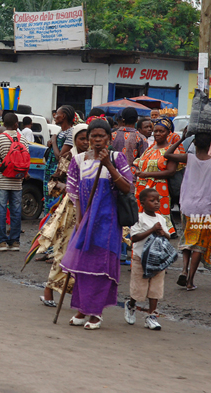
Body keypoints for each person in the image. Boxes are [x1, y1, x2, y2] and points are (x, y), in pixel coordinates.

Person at [60, 119, 132, 330]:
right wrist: (79, 220)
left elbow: (127, 187)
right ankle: (82, 309)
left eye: (102, 136)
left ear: (109, 138)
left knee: (100, 266)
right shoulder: (78, 160)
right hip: (86, 220)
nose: (97, 140)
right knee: (82, 265)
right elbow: (75, 193)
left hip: (108, 222)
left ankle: (96, 313)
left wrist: (108, 165)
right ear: (88, 138)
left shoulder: (117, 158)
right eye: (93, 136)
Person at [165, 133, 211, 290]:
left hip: (187, 205)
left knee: (187, 239)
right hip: (205, 208)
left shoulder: (189, 158)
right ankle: (190, 280)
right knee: (198, 245)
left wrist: (182, 138)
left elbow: (167, 154)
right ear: (210, 144)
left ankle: (184, 270)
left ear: (195, 144)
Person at [37, 123, 88, 307]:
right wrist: (68, 188)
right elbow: (54, 182)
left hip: (91, 208)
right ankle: (48, 291)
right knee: (64, 250)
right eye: (81, 139)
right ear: (74, 139)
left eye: (88, 138)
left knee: (86, 254)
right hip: (71, 210)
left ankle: (82, 298)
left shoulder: (96, 158)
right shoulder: (69, 156)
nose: (86, 142)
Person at [124, 188, 170, 330]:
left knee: (156, 288)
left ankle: (151, 315)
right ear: (142, 203)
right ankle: (131, 305)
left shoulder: (161, 219)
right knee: (139, 288)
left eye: (158, 200)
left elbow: (168, 236)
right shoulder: (138, 218)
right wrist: (151, 230)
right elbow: (134, 238)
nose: (156, 203)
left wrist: (162, 232)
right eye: (152, 200)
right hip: (140, 259)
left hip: (158, 259)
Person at [134, 117, 180, 235]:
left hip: (159, 190)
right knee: (142, 222)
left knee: (158, 222)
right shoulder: (150, 148)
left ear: (168, 133)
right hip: (142, 189)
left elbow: (170, 172)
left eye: (161, 131)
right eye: (155, 131)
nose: (157, 134)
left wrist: (146, 174)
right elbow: (140, 163)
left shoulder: (171, 150)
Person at [0, 112, 30, 251]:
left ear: (3, 123)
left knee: (1, 211)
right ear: (16, 124)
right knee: (16, 211)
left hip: (2, 180)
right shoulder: (23, 139)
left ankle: (0, 242)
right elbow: (26, 160)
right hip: (17, 181)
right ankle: (14, 242)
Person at [43, 105, 76, 214]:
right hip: (50, 172)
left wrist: (54, 141)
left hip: (59, 173)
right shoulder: (61, 132)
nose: (55, 116)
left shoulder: (71, 133)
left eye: (57, 114)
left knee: (56, 203)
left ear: (64, 116)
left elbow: (60, 157)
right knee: (48, 201)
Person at [111, 107, 148, 178]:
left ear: (123, 120)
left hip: (113, 175)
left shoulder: (112, 136)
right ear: (137, 120)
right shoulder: (141, 138)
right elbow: (144, 161)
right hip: (132, 177)